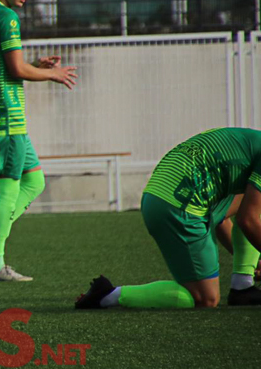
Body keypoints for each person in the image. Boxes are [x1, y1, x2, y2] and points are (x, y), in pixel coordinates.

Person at [0, 0, 78, 282]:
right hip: (6, 114)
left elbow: (6, 65)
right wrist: (53, 74)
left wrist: (36, 65)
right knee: (7, 187)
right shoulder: (7, 17)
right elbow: (15, 70)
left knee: (35, 180)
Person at [76, 128, 261, 309]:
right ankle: (109, 295)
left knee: (253, 200)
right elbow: (248, 220)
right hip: (180, 206)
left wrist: (252, 265)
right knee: (205, 299)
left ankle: (243, 285)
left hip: (156, 197)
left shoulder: (252, 142)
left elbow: (223, 217)